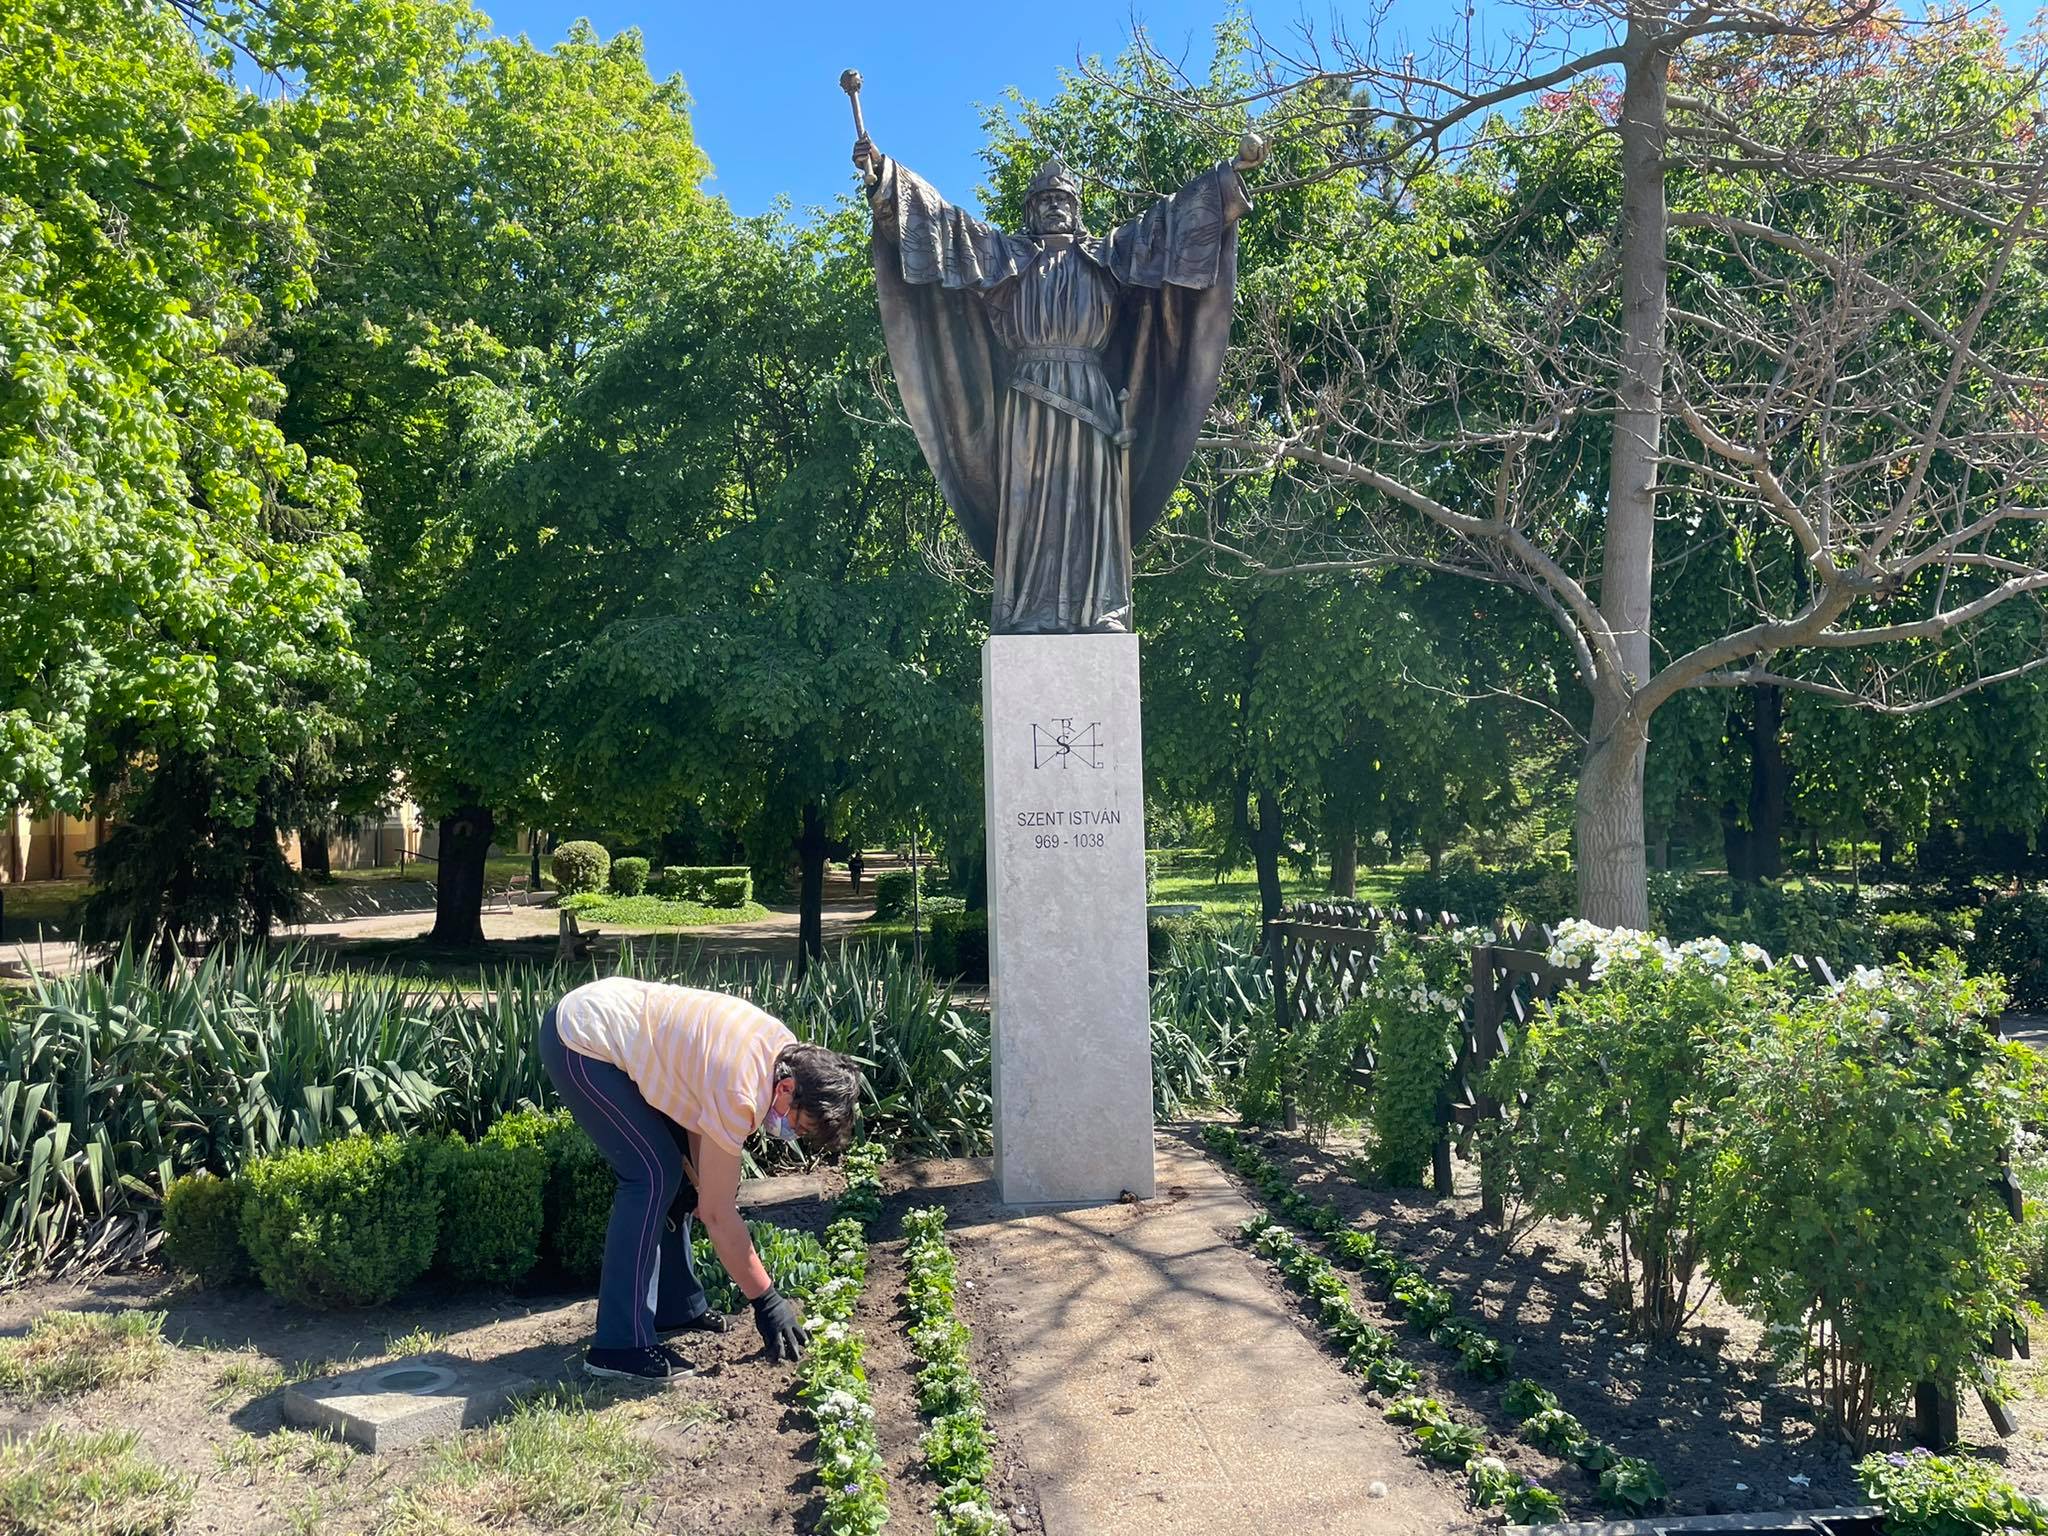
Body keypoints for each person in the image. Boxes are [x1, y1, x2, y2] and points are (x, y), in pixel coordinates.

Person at [539, 975, 863, 1382]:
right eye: (800, 1124)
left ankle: (676, 1307)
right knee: (652, 1175)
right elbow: (717, 1214)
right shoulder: (743, 1090)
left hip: (610, 1022)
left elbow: (699, 1109)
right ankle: (619, 1347)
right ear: (786, 1089)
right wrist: (767, 1300)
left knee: (680, 1180)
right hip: (581, 1038)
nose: (793, 1133)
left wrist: (700, 1183)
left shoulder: (783, 1051)